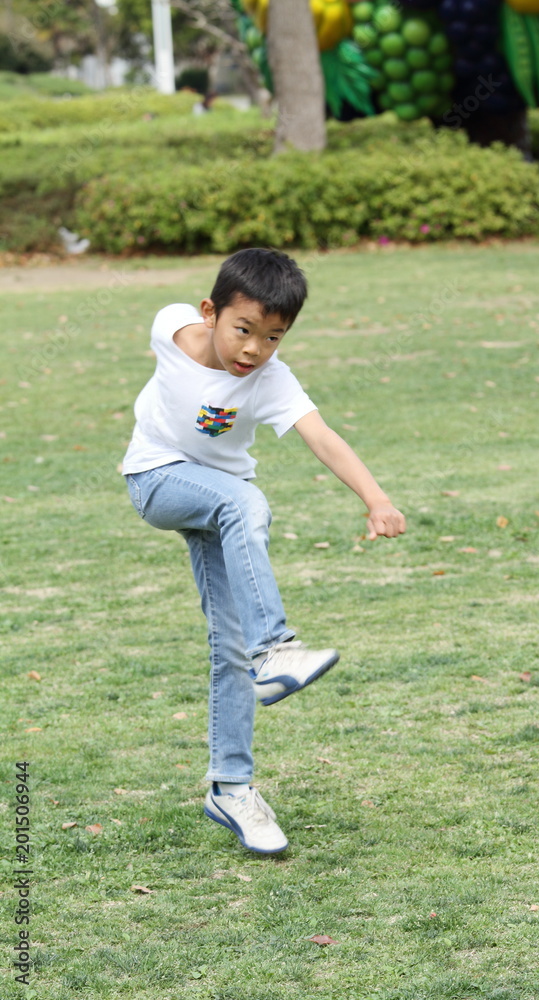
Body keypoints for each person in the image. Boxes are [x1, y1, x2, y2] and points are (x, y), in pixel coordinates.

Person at [122, 248, 405, 854]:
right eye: (243, 330)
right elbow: (177, 340)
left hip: (218, 501)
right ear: (210, 313)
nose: (253, 350)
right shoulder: (173, 325)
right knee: (245, 504)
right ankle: (277, 647)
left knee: (230, 645)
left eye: (272, 338)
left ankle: (230, 786)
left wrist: (376, 498)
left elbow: (322, 437)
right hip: (156, 480)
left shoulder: (273, 379)